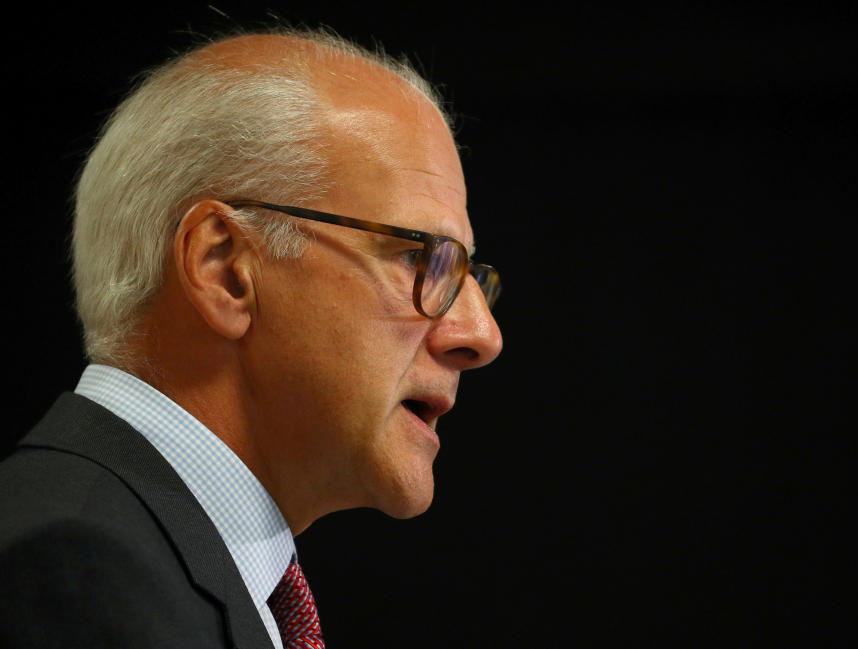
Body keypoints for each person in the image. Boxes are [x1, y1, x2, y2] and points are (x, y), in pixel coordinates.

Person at [0, 29, 502, 649]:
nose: (481, 335)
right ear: (226, 271)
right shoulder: (69, 578)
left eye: (466, 274)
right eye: (419, 260)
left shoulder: (153, 558)